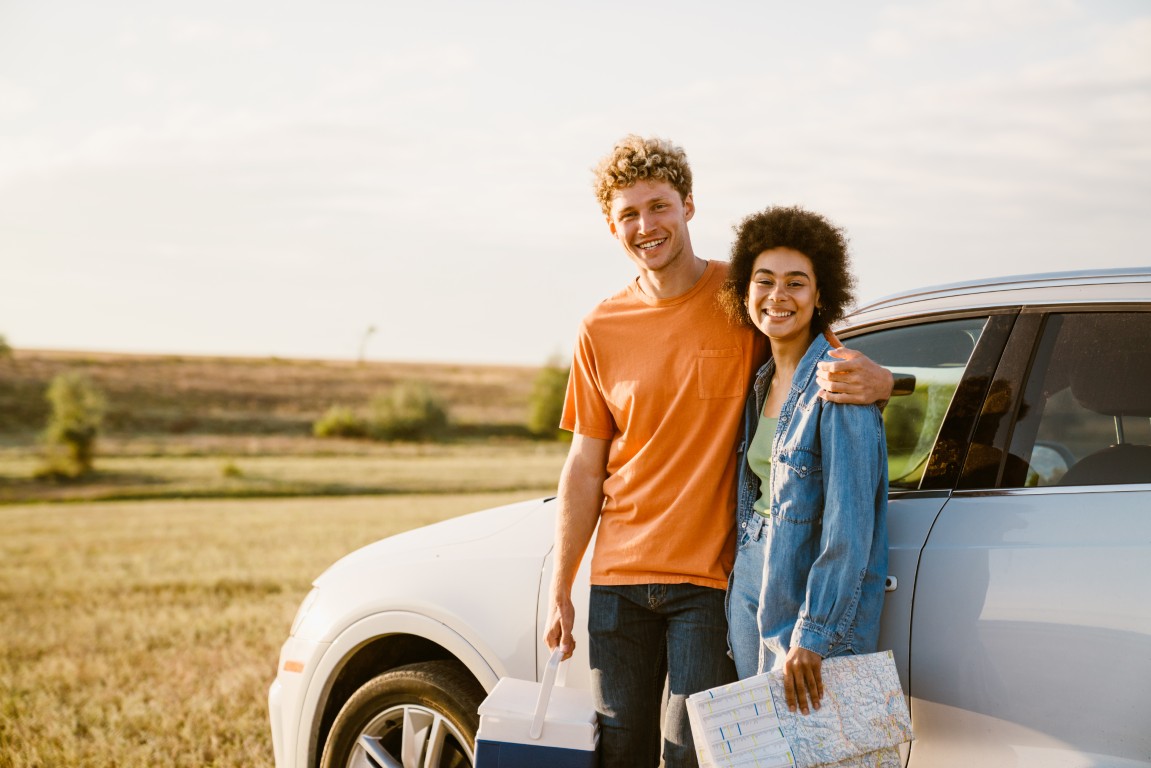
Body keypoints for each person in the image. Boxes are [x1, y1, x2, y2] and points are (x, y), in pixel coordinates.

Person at [542, 135, 893, 767]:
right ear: (610, 225)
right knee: (619, 751)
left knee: (692, 754)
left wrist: (887, 381)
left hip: (708, 580)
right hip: (617, 580)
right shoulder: (600, 327)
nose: (646, 226)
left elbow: (822, 362)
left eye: (659, 206)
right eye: (629, 214)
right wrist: (562, 584)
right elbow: (585, 463)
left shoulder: (746, 294)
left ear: (688, 206)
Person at [717, 205, 889, 717]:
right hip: (751, 571)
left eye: (796, 283)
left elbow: (849, 527)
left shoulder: (840, 385)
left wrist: (813, 634)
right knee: (768, 745)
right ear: (745, 292)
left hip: (806, 589)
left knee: (812, 741)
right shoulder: (760, 381)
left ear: (820, 296)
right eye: (764, 281)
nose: (778, 296)